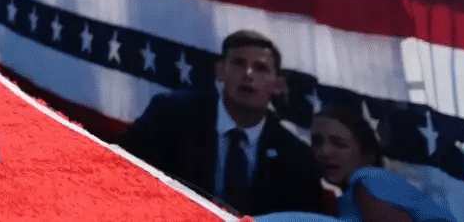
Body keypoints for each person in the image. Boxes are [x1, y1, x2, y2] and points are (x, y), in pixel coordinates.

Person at [118, 29, 325, 213]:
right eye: (238, 63)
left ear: (277, 85)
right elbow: (120, 169)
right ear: (220, 71)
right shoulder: (171, 114)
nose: (248, 74)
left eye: (260, 68)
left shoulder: (297, 157)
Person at [251, 105, 462, 222]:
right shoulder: (356, 193)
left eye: (340, 144)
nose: (325, 152)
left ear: (368, 154)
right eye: (317, 142)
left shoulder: (369, 180)